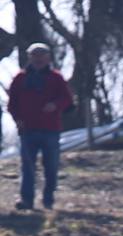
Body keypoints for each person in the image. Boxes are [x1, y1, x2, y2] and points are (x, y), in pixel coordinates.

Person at [6, 42, 73, 211]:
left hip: (51, 129)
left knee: (51, 166)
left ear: (48, 58)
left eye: (42, 56)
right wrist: (17, 119)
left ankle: (48, 199)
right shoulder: (20, 78)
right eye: (35, 56)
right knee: (28, 166)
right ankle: (26, 200)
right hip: (27, 130)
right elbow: (12, 104)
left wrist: (55, 105)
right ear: (30, 57)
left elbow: (67, 100)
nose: (39, 60)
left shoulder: (56, 77)